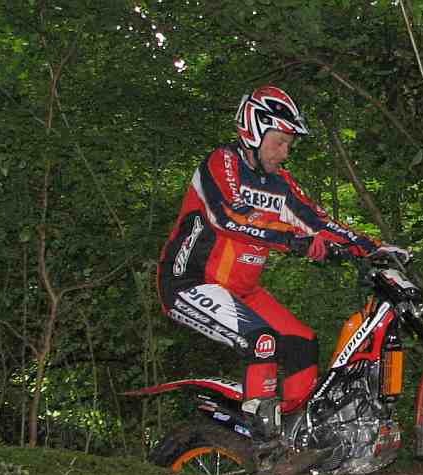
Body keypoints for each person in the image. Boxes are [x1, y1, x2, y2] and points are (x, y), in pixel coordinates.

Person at [158, 85, 387, 443]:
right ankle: (263, 444)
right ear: (253, 131)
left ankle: (296, 436)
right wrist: (294, 239)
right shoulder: (221, 162)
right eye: (280, 142)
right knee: (262, 339)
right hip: (190, 282)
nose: (285, 153)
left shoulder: (280, 183)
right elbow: (229, 215)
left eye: (289, 145)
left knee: (302, 342)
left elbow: (317, 221)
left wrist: (374, 248)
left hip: (243, 291)